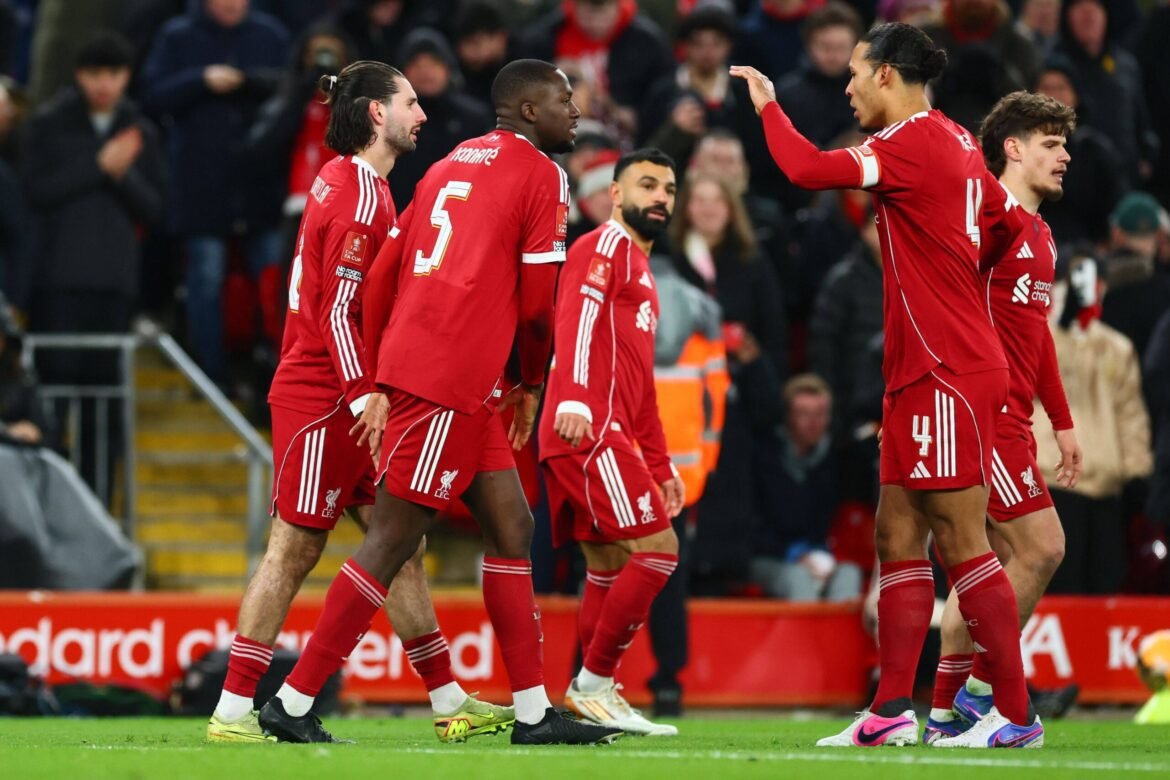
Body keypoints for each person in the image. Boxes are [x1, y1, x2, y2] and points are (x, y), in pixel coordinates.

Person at [258, 59, 620, 747]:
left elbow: (384, 274)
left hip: (448, 372)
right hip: (448, 377)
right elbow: (538, 306)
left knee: (511, 525)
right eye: (564, 99)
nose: (575, 112)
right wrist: (531, 381)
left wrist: (385, 363)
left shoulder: (451, 161)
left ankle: (534, 714)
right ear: (527, 109)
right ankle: (294, 700)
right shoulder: (543, 175)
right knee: (392, 539)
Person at [732, 22, 1041, 748]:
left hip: (945, 369)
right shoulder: (958, 140)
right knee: (896, 535)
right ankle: (892, 710)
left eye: (853, 72)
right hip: (919, 371)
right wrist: (958, 274)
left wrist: (768, 106)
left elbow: (807, 170)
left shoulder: (910, 141)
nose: (846, 86)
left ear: (885, 75)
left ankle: (1017, 714)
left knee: (962, 540)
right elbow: (1007, 226)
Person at [207, 61, 509, 746]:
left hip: (347, 394)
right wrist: (362, 394)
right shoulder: (361, 199)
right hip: (326, 398)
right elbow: (339, 311)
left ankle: (448, 700)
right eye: (411, 103)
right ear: (377, 113)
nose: (423, 116)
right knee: (294, 548)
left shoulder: (345, 180)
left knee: (400, 544)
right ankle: (231, 711)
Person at [924, 91, 1082, 745]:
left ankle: (945, 711)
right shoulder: (986, 218)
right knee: (1043, 548)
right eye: (1051, 144)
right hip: (979, 413)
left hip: (1014, 418)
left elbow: (1035, 336)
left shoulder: (1041, 235)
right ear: (1012, 149)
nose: (1064, 156)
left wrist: (1062, 420)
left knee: (983, 566)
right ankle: (986, 693)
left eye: (1065, 144)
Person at [537, 148, 683, 736]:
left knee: (606, 563)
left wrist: (661, 465)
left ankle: (595, 692)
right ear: (616, 194)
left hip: (603, 429)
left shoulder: (642, 270)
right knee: (659, 549)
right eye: (648, 185)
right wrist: (573, 394)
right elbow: (575, 316)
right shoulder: (604, 246)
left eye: (669, 189)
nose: (661, 198)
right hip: (587, 427)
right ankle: (594, 684)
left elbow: (640, 387)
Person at [21, 30, 165, 503]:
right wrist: (100, 166)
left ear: (127, 76)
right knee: (53, 407)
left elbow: (156, 210)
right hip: (56, 286)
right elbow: (34, 191)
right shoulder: (48, 124)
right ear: (79, 75)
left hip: (115, 288)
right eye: (95, 73)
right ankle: (46, 511)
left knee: (106, 413)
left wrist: (121, 174)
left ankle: (100, 512)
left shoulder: (140, 131)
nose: (104, 84)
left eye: (114, 73)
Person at [140, 0, 290, 386]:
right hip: (200, 189)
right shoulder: (177, 36)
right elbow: (151, 96)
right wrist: (200, 80)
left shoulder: (270, 35)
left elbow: (293, 89)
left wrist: (248, 81)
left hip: (260, 190)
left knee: (278, 282)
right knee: (204, 281)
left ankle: (279, 375)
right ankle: (210, 379)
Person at [1034, 252, 1153, 594]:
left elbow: (1130, 414)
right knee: (1054, 587)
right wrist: (1060, 320)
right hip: (1051, 479)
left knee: (1104, 590)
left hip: (1104, 484)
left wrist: (1137, 471)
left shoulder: (1117, 347)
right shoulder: (1037, 337)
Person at [750, 374, 862, 601]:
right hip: (769, 557)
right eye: (803, 414)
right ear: (788, 416)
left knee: (850, 573)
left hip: (819, 554)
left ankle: (834, 628)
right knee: (798, 578)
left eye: (820, 414)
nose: (813, 423)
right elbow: (750, 526)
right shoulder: (763, 457)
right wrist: (795, 554)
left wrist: (821, 556)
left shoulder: (837, 461)